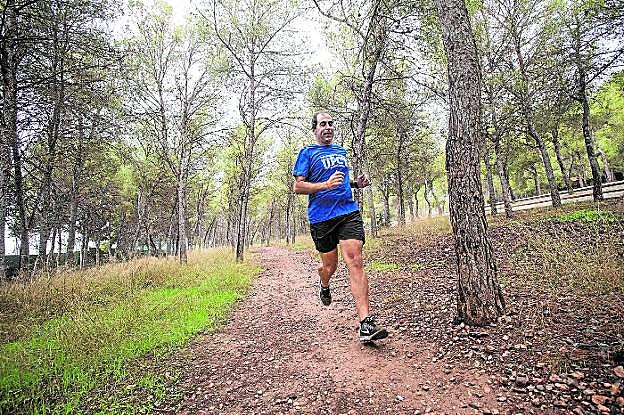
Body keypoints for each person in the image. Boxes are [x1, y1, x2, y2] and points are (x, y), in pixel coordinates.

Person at [292, 111, 388, 343]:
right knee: (330, 266)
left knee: (355, 261)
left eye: (331, 124)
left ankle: (365, 323)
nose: (328, 127)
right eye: (322, 124)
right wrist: (324, 185)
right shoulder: (307, 152)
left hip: (347, 212)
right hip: (321, 218)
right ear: (314, 129)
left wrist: (357, 183)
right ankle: (324, 282)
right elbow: (298, 187)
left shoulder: (340, 152)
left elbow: (343, 182)